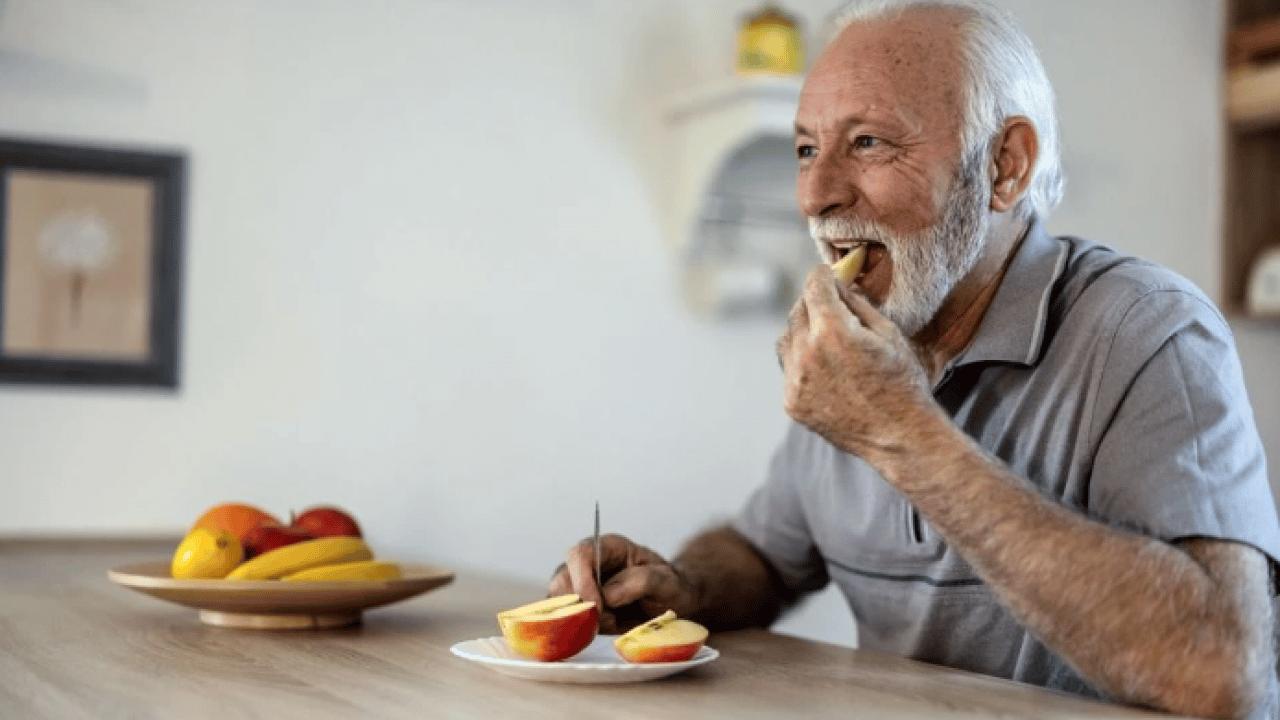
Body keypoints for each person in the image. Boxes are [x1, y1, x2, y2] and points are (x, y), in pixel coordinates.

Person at [550, 1, 1280, 717]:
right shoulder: (867, 338)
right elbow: (767, 555)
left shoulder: (1148, 331)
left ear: (1005, 166)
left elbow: (1222, 674)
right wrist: (683, 586)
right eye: (807, 149)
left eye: (868, 142)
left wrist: (898, 431)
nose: (815, 194)